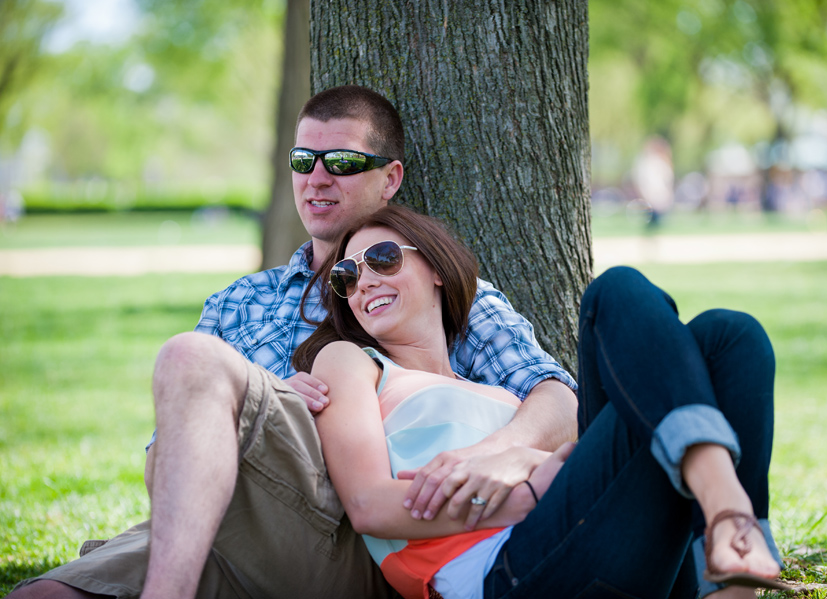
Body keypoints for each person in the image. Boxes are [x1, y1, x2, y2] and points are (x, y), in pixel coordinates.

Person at [10, 86, 577, 599]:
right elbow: (164, 461)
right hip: (226, 516)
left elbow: (555, 395)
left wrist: (489, 458)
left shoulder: (430, 288)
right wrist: (251, 405)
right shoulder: (238, 302)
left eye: (345, 162)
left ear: (391, 178)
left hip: (353, 537)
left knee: (192, 357)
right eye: (303, 161)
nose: (318, 177)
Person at [299, 205, 789, 599]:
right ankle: (731, 521)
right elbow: (368, 505)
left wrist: (519, 457)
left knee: (729, 334)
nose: (362, 282)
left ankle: (730, 565)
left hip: (614, 542)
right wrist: (529, 493)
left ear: (437, 269)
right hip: (505, 573)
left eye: (383, 258)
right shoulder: (350, 362)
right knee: (614, 293)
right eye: (346, 275)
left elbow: (563, 447)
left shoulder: (501, 393)